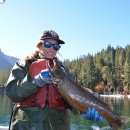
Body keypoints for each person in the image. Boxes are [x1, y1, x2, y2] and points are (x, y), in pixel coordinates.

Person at [6, 30, 104, 130]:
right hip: (26, 126)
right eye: (48, 44)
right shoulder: (23, 65)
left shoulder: (63, 72)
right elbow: (11, 92)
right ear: (39, 45)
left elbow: (72, 100)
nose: (52, 49)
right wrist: (36, 81)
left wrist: (84, 111)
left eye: (56, 46)